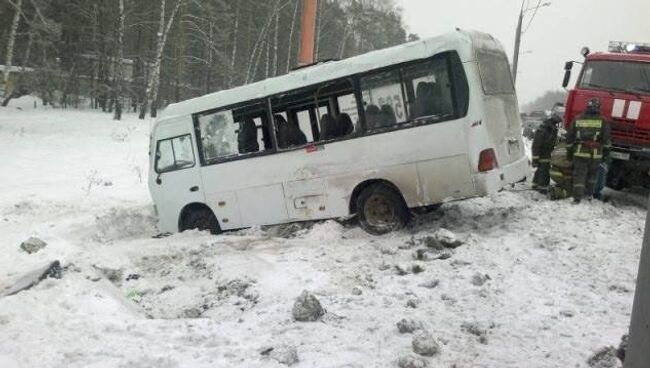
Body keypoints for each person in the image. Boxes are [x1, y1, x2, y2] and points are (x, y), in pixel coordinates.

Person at [566, 98, 611, 203]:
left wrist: (569, 152)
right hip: (595, 154)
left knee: (579, 175)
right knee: (592, 175)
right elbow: (606, 140)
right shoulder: (603, 121)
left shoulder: (577, 119)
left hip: (580, 152)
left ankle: (577, 198)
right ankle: (590, 195)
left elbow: (569, 137)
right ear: (598, 108)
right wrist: (606, 154)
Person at [531, 113, 562, 193]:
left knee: (541, 169)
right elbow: (536, 145)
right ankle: (542, 188)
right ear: (553, 121)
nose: (558, 125)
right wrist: (535, 158)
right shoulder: (544, 129)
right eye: (557, 123)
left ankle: (535, 185)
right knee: (544, 170)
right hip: (542, 153)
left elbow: (552, 141)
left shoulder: (551, 129)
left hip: (547, 152)